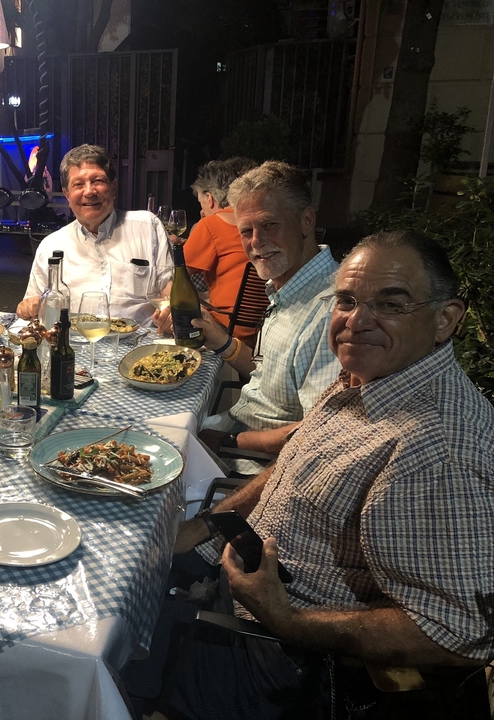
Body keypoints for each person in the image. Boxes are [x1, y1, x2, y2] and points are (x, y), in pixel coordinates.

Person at [154, 230, 493, 718]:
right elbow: (296, 467)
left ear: (446, 319)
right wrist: (204, 527)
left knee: (95, 640)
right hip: (238, 571)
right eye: (347, 300)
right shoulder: (370, 377)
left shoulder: (438, 453)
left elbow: (460, 633)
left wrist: (287, 618)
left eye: (390, 304)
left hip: (282, 661)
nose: (357, 321)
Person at [192, 161, 341, 457]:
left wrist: (229, 443)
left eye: (270, 224)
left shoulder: (332, 309)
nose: (256, 242)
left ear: (306, 221)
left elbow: (317, 432)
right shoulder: (288, 288)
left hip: (249, 461)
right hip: (236, 424)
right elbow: (269, 375)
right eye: (246, 230)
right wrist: (220, 340)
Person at [16, 144, 172, 326]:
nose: (89, 191)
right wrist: (27, 307)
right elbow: (34, 304)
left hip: (140, 344)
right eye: (78, 184)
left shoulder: (147, 226)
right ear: (67, 194)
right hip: (75, 344)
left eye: (98, 181)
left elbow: (169, 287)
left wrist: (170, 310)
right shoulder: (51, 246)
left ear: (113, 187)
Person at [154, 158, 259, 346]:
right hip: (259, 326)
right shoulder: (252, 222)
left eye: (200, 203)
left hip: (227, 326)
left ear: (209, 198)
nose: (201, 210)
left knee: (169, 324)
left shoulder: (211, 224)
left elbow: (177, 275)